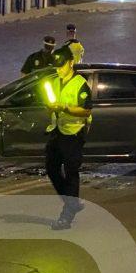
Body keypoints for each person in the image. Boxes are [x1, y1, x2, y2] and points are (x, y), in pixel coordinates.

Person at [44, 44, 93, 230]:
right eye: (56, 66)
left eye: (62, 65)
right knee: (51, 168)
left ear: (71, 63)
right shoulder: (56, 81)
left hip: (74, 133)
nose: (59, 69)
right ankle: (72, 203)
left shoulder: (80, 83)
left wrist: (65, 108)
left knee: (71, 172)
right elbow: (52, 105)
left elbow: (86, 110)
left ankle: (66, 216)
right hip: (57, 130)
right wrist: (51, 108)